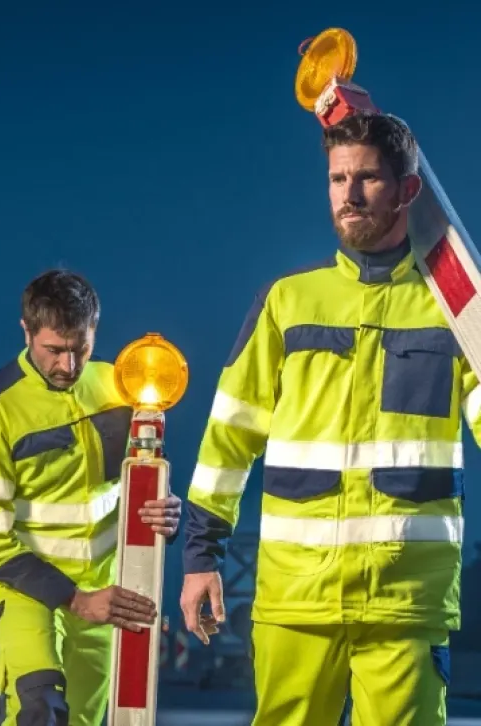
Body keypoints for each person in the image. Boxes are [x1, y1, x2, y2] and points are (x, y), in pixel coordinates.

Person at [179, 110, 468, 726]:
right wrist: (200, 556)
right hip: (294, 599)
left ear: (408, 191)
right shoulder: (287, 301)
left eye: (366, 178)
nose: (350, 195)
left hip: (406, 604)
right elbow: (229, 437)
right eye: (337, 179)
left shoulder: (456, 313)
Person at [0, 268, 182, 726]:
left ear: (94, 330)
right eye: (53, 350)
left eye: (80, 349)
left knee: (80, 721)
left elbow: (142, 478)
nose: (68, 366)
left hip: (105, 591)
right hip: (28, 595)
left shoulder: (121, 388)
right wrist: (73, 598)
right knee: (39, 709)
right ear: (26, 331)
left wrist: (164, 511)